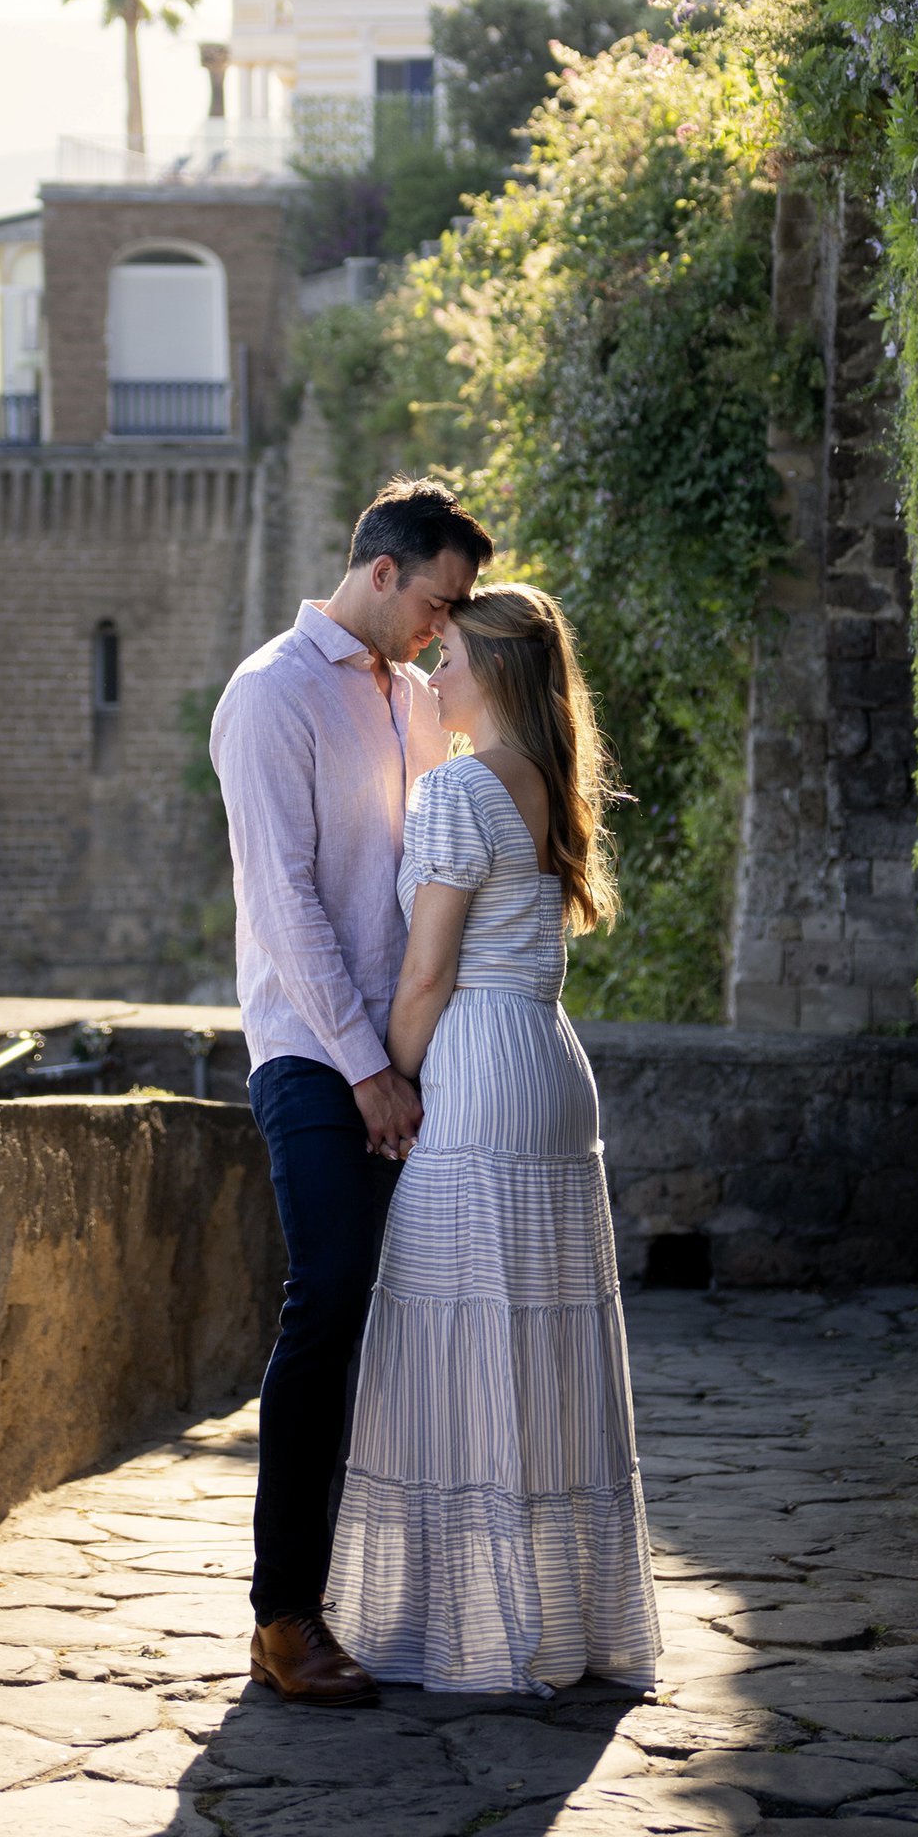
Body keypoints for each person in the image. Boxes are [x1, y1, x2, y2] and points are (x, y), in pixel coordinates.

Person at [325, 582, 661, 1695]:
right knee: (541, 1345)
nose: (437, 676)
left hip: (473, 1067)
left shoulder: (458, 788)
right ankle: (553, 1624)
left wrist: (391, 1082)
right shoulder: (552, 784)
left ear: (500, 675)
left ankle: (471, 1626)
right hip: (552, 1066)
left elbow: (423, 973)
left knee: (460, 1335)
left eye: (455, 661)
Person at [210, 477, 494, 1706]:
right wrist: (366, 1067)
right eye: (439, 602)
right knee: (325, 1304)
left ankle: (407, 1595)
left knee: (417, 1313)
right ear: (383, 572)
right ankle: (284, 1619)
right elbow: (284, 906)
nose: (446, 626)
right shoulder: (270, 694)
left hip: (419, 1057)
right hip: (317, 1059)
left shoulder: (420, 701)